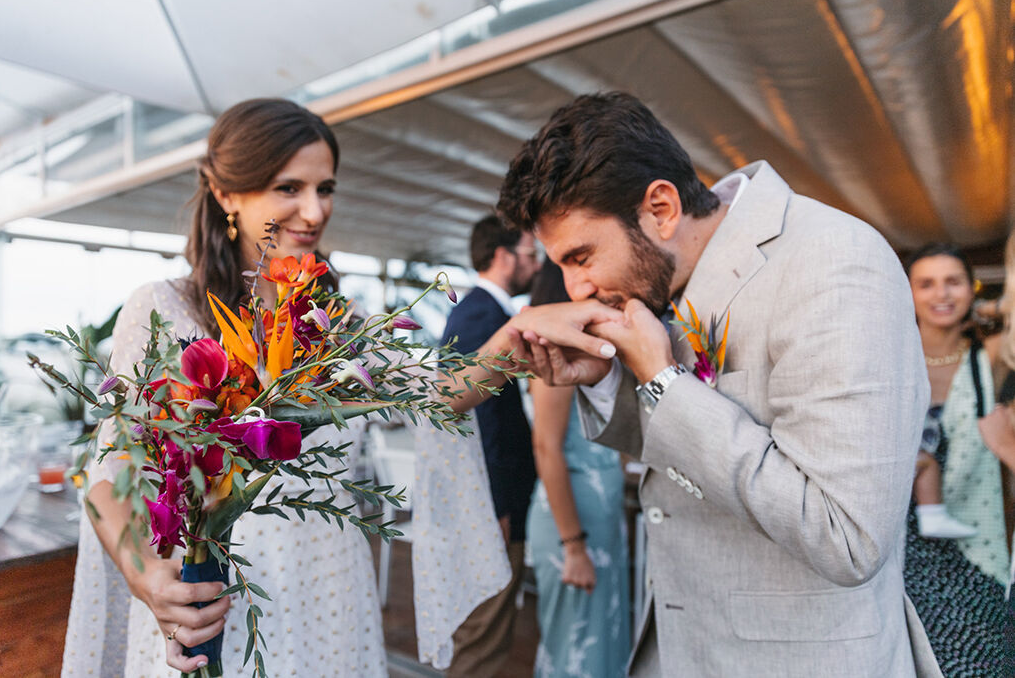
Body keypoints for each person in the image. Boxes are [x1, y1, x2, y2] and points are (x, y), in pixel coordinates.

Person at [439, 92, 941, 676]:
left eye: (581, 257)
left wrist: (664, 383)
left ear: (661, 208)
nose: (574, 289)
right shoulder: (668, 280)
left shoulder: (835, 260)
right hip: (683, 648)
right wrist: (607, 384)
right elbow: (675, 463)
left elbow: (847, 535)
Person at [60, 99, 387, 677]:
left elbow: (438, 388)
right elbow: (106, 474)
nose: (314, 211)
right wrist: (147, 579)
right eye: (289, 187)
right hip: (222, 605)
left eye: (326, 187)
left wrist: (515, 345)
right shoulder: (163, 309)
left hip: (332, 597)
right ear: (226, 192)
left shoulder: (341, 322)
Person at [903, 243, 1015, 676]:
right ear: (907, 293)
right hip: (899, 558)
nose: (941, 294)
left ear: (972, 289)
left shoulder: (989, 360)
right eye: (925, 284)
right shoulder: (889, 361)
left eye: (953, 282)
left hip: (975, 555)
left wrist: (1000, 303)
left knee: (980, 666)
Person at [438, 215, 540, 677]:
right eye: (531, 254)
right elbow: (481, 418)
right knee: (485, 636)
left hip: (491, 497)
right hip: (491, 503)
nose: (536, 265)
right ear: (503, 257)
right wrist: (494, 505)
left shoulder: (479, 310)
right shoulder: (483, 314)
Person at [524, 260, 629, 677]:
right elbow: (546, 447)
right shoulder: (554, 354)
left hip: (597, 519)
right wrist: (574, 547)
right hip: (572, 524)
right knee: (575, 649)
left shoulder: (583, 349)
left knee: (602, 640)